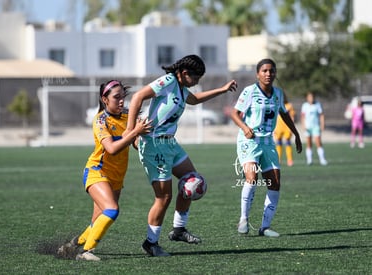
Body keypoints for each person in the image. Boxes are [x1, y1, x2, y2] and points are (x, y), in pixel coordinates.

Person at [126, 54, 238, 256]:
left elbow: (194, 100)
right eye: (196, 78)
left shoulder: (181, 88)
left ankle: (178, 230)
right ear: (184, 73)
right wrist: (130, 131)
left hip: (170, 143)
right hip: (154, 145)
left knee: (192, 180)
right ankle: (150, 243)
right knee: (164, 197)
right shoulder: (168, 81)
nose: (197, 82)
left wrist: (222, 90)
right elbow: (137, 97)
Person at [57, 80, 151, 261]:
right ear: (104, 99)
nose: (122, 101)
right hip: (97, 172)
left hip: (116, 177)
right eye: (117, 97)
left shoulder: (127, 117)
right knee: (112, 210)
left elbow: (135, 144)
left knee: (97, 220)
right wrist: (134, 132)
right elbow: (112, 149)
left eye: (123, 97)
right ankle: (86, 252)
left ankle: (71, 246)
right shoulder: (100, 120)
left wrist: (142, 137)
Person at [230, 58, 302, 237]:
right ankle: (243, 219)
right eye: (264, 71)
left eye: (271, 71)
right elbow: (235, 113)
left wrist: (297, 134)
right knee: (252, 177)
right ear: (258, 74)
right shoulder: (250, 91)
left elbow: (284, 115)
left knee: (275, 182)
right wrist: (245, 128)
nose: (268, 74)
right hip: (250, 141)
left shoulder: (278, 93)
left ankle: (265, 227)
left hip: (269, 142)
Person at [300, 92, 327, 165]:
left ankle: (322, 159)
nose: (311, 99)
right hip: (308, 127)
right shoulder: (305, 105)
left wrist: (322, 124)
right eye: (309, 97)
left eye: (312, 97)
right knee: (309, 143)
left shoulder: (317, 105)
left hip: (315, 126)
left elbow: (321, 115)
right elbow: (302, 116)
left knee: (318, 142)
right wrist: (303, 125)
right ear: (307, 98)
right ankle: (309, 160)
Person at [273, 93, 296, 166]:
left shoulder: (289, 106)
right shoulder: (276, 105)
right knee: (278, 143)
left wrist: (291, 127)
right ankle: (278, 159)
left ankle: (289, 160)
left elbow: (292, 117)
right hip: (278, 127)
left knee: (288, 143)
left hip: (287, 127)